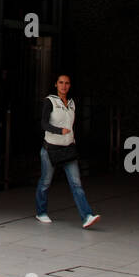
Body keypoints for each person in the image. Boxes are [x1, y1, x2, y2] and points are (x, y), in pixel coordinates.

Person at [35, 74, 101, 229]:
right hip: (50, 148)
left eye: (67, 83)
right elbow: (44, 123)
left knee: (76, 183)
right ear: (56, 85)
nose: (64, 86)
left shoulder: (72, 104)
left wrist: (71, 138)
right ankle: (41, 211)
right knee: (45, 182)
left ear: (70, 85)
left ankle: (86, 216)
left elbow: (72, 125)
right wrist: (59, 131)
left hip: (68, 149)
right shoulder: (50, 101)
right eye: (61, 83)